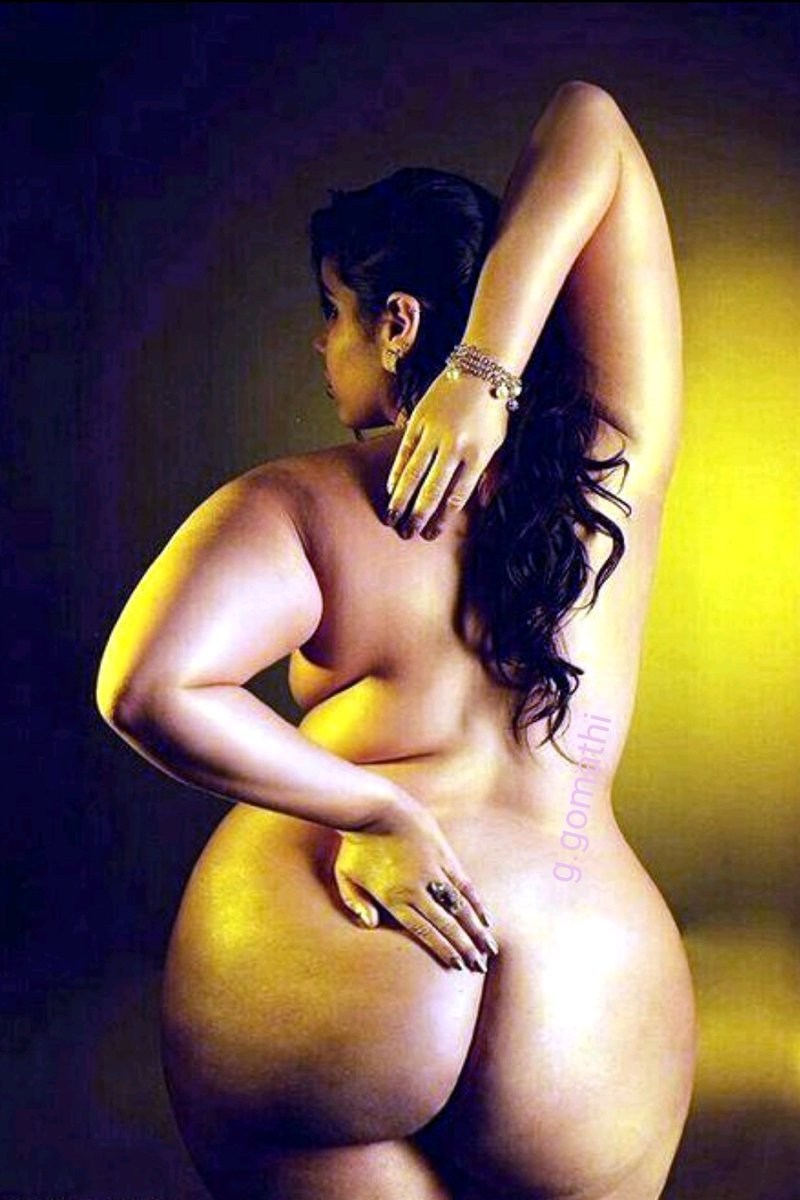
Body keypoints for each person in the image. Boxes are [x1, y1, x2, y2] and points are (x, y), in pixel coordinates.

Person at [96, 80, 697, 1200]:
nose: (321, 342)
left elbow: (145, 688)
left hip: (339, 975)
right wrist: (494, 370)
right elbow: (594, 127)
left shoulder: (298, 504)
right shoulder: (605, 468)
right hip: (589, 997)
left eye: (332, 311)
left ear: (398, 322)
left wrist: (374, 811)